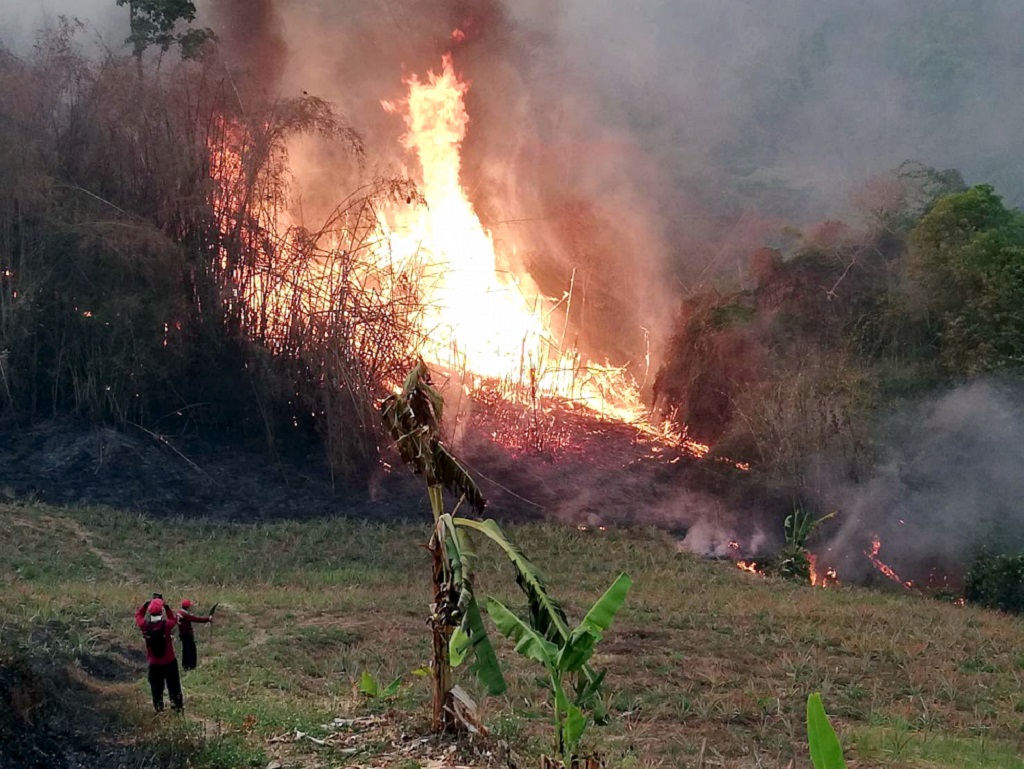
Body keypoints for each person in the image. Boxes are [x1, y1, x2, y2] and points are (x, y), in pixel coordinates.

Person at [135, 595, 183, 713]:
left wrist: (146, 604)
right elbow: (173, 619)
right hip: (169, 662)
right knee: (174, 688)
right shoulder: (166, 625)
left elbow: (138, 615)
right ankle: (177, 709)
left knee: (156, 689)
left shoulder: (145, 626)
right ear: (161, 611)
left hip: (154, 663)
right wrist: (166, 606)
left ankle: (159, 709)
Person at [176, 599, 213, 671]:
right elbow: (196, 619)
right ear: (187, 607)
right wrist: (208, 619)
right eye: (190, 606)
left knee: (185, 650)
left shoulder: (179, 613)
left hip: (182, 634)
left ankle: (185, 665)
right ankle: (191, 666)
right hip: (187, 635)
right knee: (191, 650)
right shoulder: (185, 615)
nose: (191, 607)